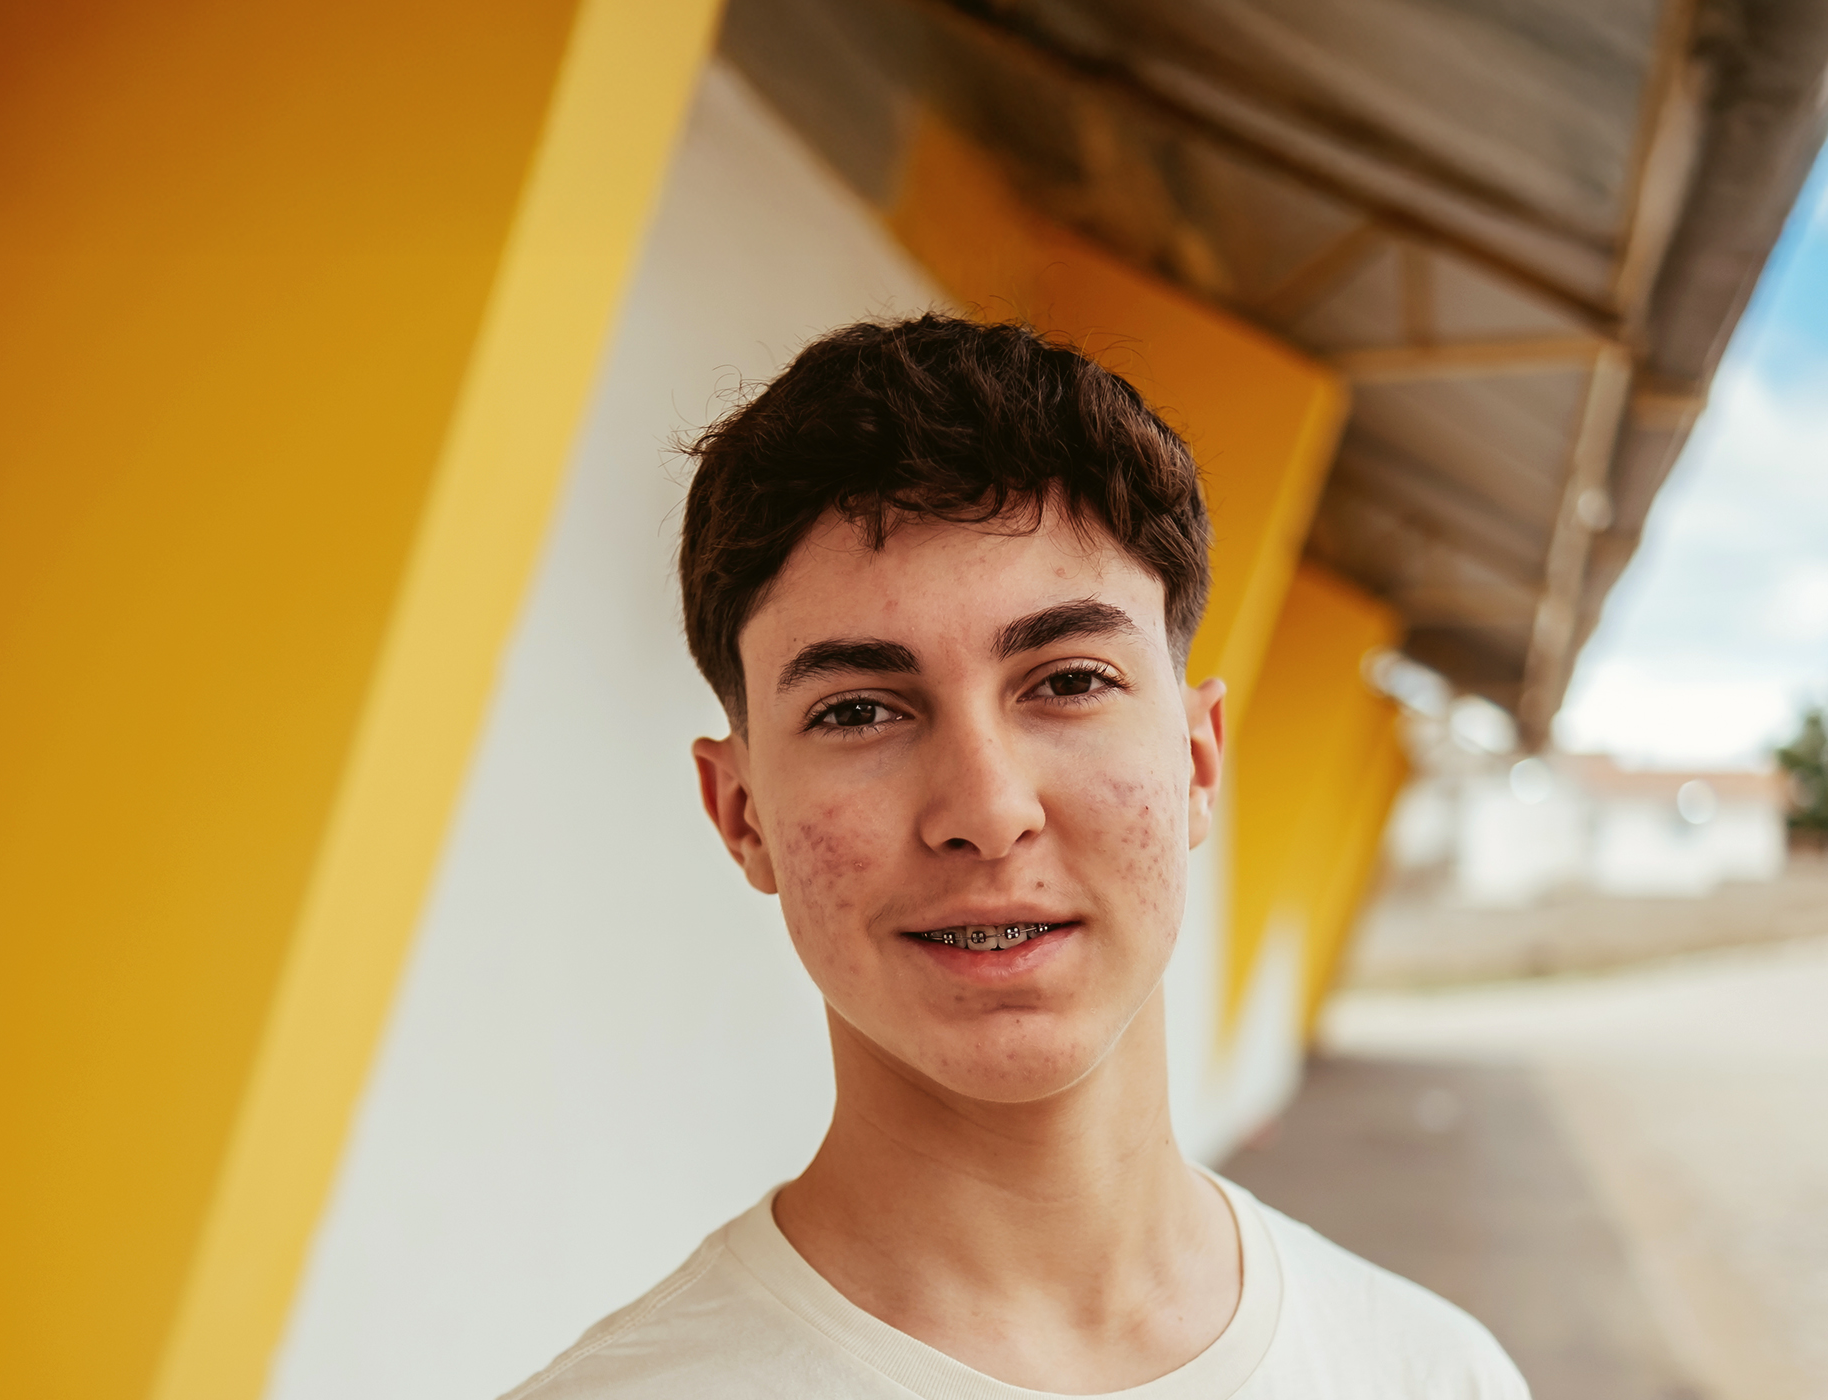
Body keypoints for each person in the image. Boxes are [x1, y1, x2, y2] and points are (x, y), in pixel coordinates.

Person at [503, 314, 1527, 1398]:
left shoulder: (1431, 1373)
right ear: (740, 813)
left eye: (1069, 680)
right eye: (858, 709)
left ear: (1195, 760)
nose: (986, 810)